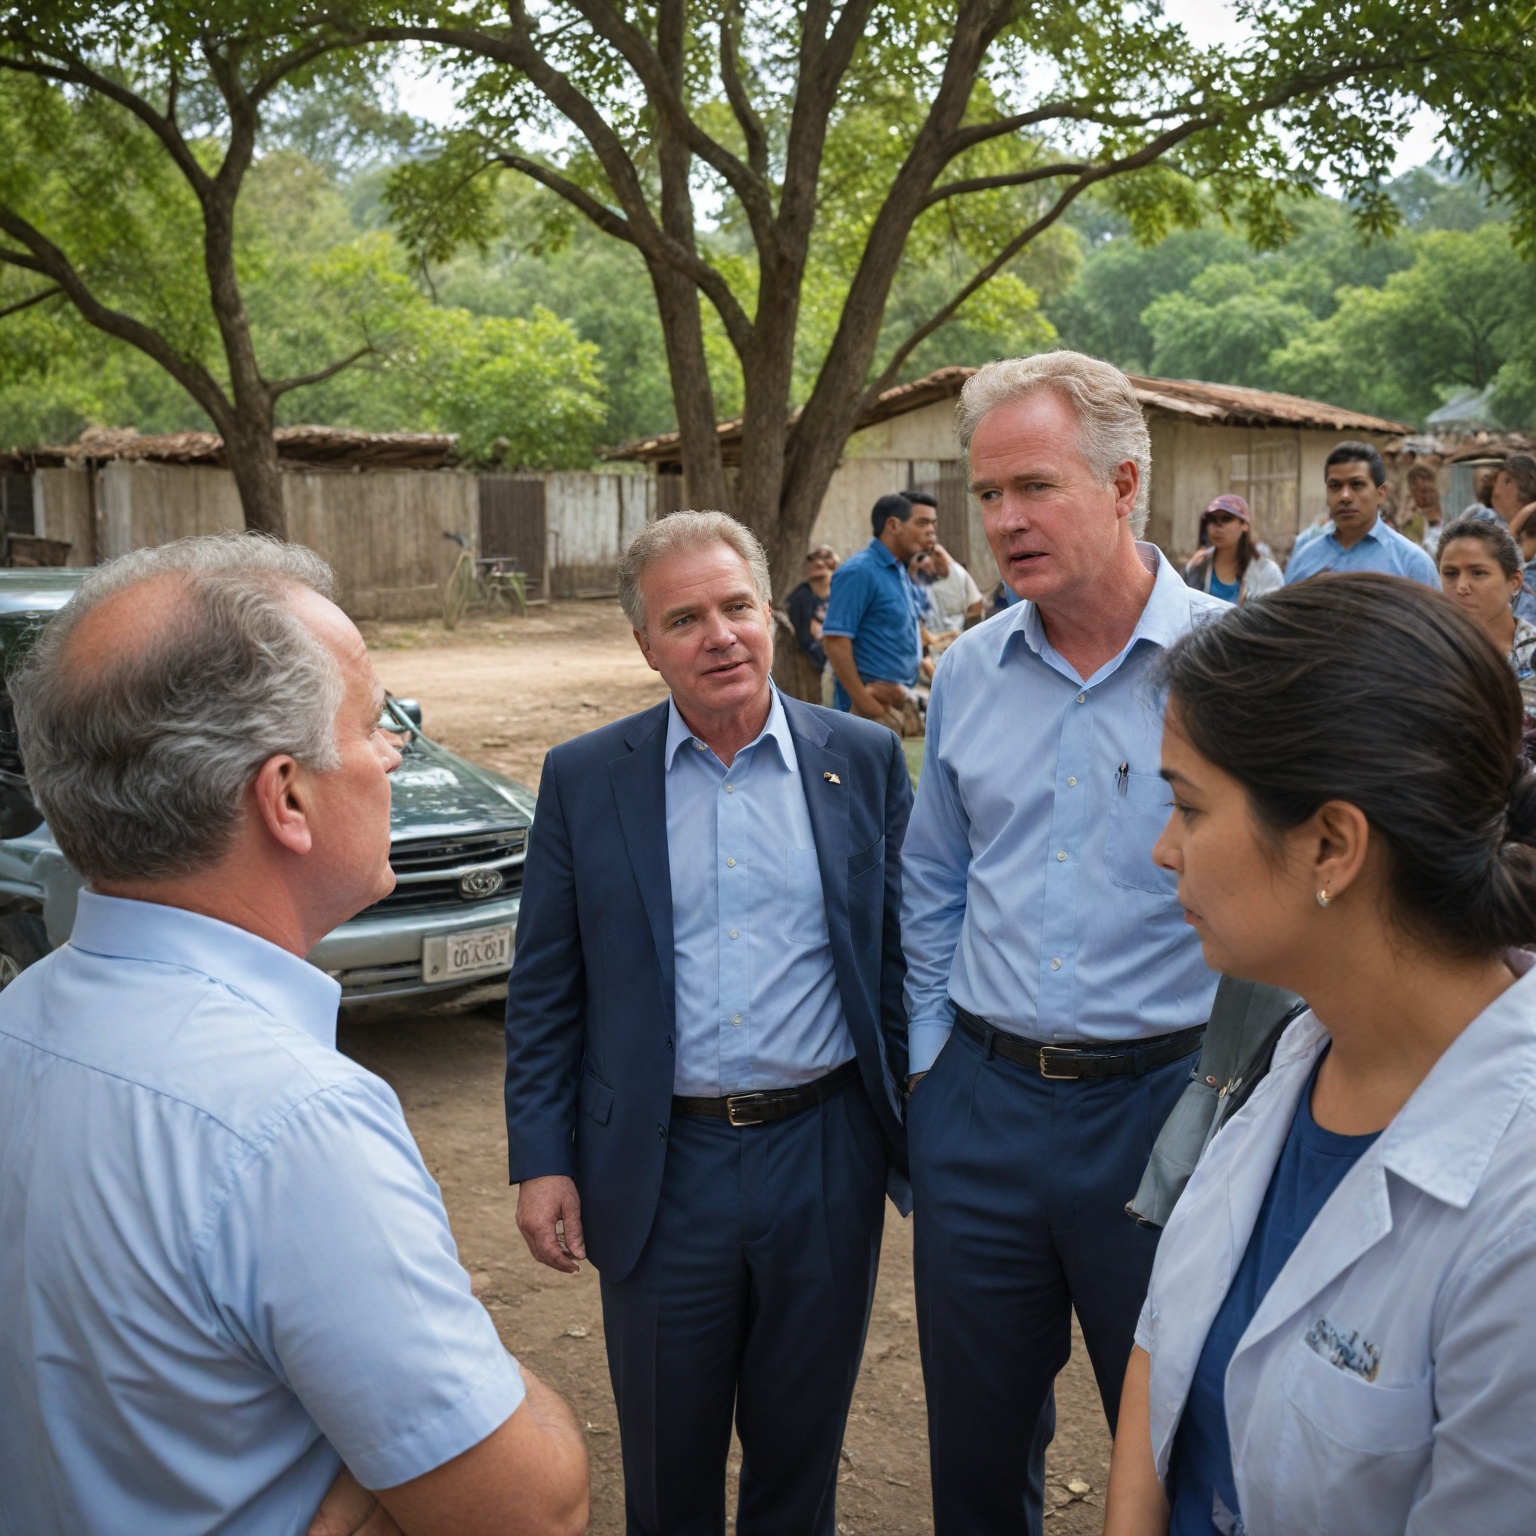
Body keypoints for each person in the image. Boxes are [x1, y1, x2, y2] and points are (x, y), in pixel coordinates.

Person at [0, 537, 588, 1536]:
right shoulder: (291, 1123)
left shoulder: (21, 1021)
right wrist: (417, 1390)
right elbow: (535, 1509)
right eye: (370, 723)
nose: (393, 752)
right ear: (287, 797)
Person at [505, 511, 913, 1536]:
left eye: (736, 607)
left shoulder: (862, 758)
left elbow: (902, 959)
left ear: (771, 613)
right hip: (660, 1167)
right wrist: (542, 1159)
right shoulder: (586, 777)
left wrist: (918, 1124)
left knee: (800, 1457)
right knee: (666, 1459)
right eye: (684, 619)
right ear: (646, 645)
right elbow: (547, 989)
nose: (720, 636)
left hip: (825, 1156)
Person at [1104, 574, 1536, 1536]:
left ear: (1333, 845)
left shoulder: (1517, 1218)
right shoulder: (1296, 1050)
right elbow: (1165, 1336)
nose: (1165, 850)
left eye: (1190, 808)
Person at [902, 352, 1223, 1534]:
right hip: (979, 1106)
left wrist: (1233, 1094)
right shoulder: (970, 672)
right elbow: (934, 878)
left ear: (1125, 482)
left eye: (1034, 486)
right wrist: (931, 1067)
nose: (1004, 522)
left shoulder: (1237, 666)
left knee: (1185, 1441)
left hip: (1168, 1109)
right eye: (988, 494)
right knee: (976, 1450)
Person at [823, 490, 935, 726]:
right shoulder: (859, 571)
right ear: (893, 525)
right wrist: (865, 702)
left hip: (898, 702)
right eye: (922, 523)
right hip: (867, 709)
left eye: (933, 523)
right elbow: (835, 641)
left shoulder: (900, 570)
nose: (931, 530)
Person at [1283, 442, 1439, 588]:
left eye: (1357, 484)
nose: (1345, 496)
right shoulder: (1303, 559)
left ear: (1380, 493)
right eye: (1335, 486)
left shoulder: (1412, 564)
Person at [1436, 514, 1536, 712]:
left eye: (1478, 573)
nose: (1461, 586)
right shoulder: (1429, 654)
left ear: (1515, 582)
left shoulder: (1531, 654)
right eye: (1451, 574)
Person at [1182, 494, 1282, 604]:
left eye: (1226, 519)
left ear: (1244, 525)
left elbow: (1272, 612)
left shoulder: (1266, 572)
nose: (1218, 527)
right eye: (1212, 519)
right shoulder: (1196, 567)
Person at [777, 544, 837, 704]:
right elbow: (803, 639)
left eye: (826, 556)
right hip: (813, 663)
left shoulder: (843, 591)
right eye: (812, 558)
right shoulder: (800, 597)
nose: (819, 562)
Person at [922, 542, 986, 636]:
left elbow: (977, 605)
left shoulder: (958, 574)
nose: (936, 560)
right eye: (931, 555)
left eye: (938, 555)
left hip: (960, 634)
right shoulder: (922, 584)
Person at [1402, 462, 1445, 554]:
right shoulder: (1410, 521)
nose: (1430, 496)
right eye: (1424, 491)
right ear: (1413, 491)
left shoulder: (1448, 512)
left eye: (1432, 490)